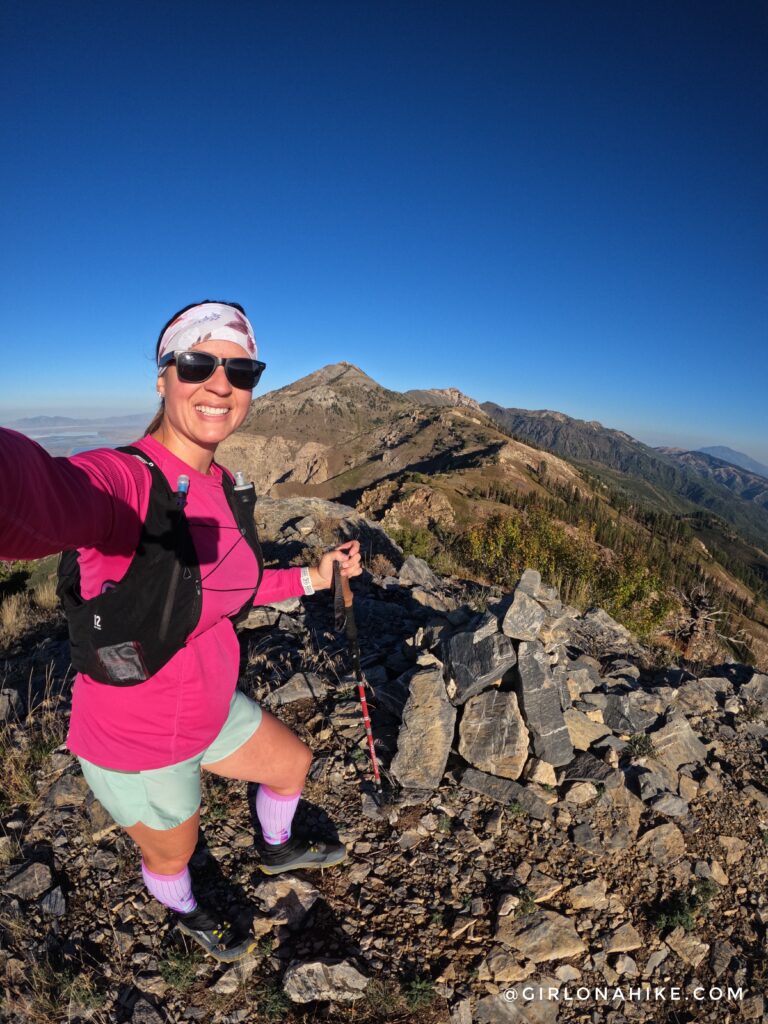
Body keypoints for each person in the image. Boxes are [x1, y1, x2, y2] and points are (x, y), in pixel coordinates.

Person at [0, 300, 362, 962]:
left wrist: (314, 576)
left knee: (293, 765)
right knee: (176, 854)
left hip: (210, 706)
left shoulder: (221, 484)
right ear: (162, 377)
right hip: (140, 741)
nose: (220, 383)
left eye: (240, 369)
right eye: (197, 363)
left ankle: (276, 846)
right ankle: (189, 910)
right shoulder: (129, 482)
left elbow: (232, 587)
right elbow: (45, 493)